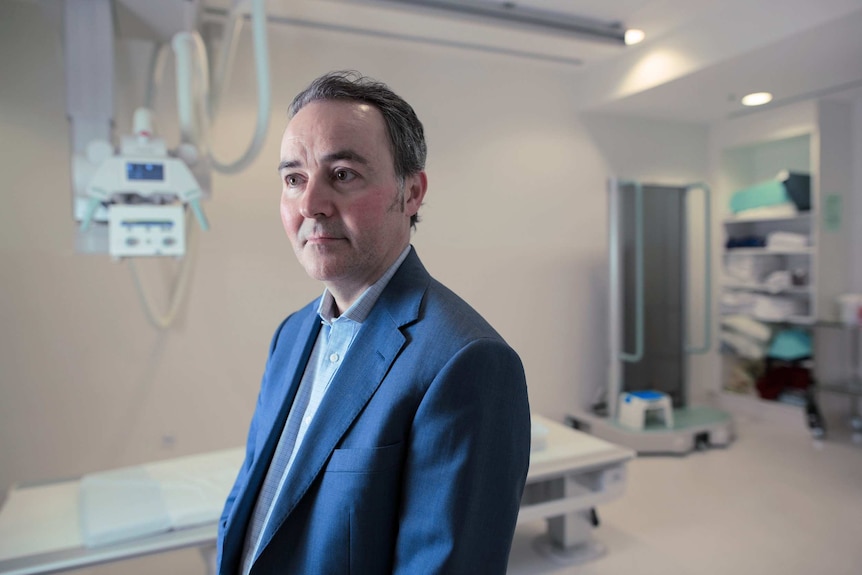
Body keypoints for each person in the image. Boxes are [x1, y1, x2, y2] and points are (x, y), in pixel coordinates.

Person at [216, 70, 531, 575]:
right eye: (294, 178)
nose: (310, 205)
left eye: (342, 174)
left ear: (411, 193)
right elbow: (255, 496)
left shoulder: (467, 362)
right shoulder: (292, 335)